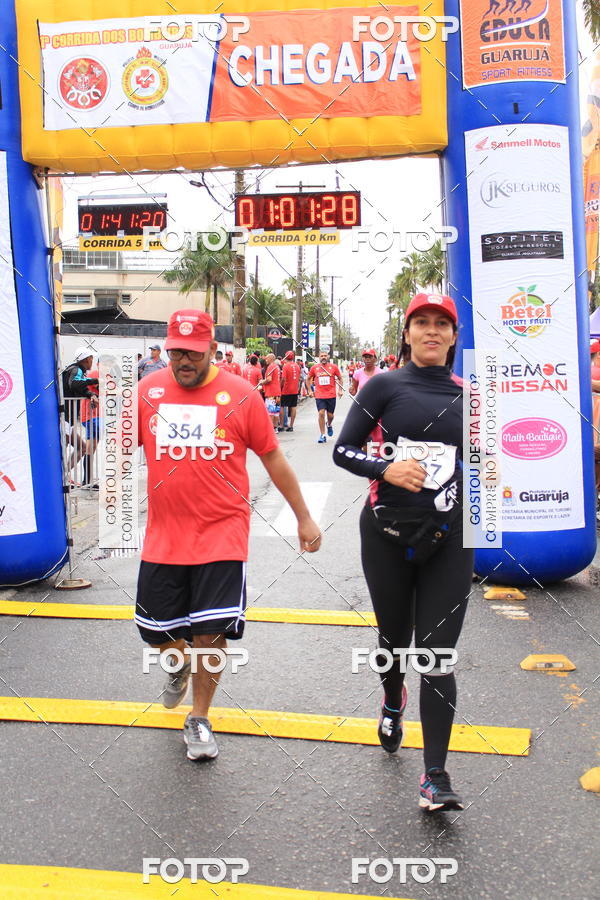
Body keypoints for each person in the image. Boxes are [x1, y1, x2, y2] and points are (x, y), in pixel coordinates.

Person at [136, 309, 321, 761]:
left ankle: (199, 717)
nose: (183, 361)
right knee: (155, 631)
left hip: (223, 533)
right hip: (164, 535)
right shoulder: (146, 392)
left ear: (212, 351)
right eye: (176, 351)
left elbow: (273, 459)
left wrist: (304, 517)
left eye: (193, 353)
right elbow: (120, 455)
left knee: (211, 633)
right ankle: (177, 666)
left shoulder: (240, 395)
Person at [333, 293, 472, 813]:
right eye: (421, 323)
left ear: (454, 337)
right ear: (407, 333)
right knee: (394, 641)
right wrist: (384, 469)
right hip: (387, 537)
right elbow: (342, 450)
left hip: (451, 543)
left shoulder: (473, 396)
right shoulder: (384, 386)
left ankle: (434, 776)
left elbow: (488, 468)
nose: (431, 331)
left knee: (437, 656)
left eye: (442, 324)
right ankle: (393, 696)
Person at [62, 348, 99, 482]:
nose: (92, 361)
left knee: (82, 448)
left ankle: (63, 475)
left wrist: (91, 395)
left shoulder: (77, 371)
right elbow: (74, 384)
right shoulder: (76, 369)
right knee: (62, 450)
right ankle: (58, 479)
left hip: (68, 420)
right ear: (85, 359)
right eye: (91, 358)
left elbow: (80, 389)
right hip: (64, 419)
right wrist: (94, 381)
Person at [307, 350, 343, 443]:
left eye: (325, 355)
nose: (323, 357)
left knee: (330, 415)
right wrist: (310, 391)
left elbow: (340, 378)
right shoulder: (315, 368)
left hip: (331, 395)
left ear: (328, 357)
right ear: (319, 357)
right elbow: (308, 379)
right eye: (321, 356)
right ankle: (322, 435)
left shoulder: (333, 367)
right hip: (319, 395)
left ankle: (329, 424)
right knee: (321, 413)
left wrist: (340, 390)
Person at [280, 351, 301, 432]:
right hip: (294, 390)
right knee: (293, 407)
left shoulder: (285, 366)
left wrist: (280, 387)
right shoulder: (297, 366)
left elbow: (283, 379)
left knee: (282, 406)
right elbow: (299, 378)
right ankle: (291, 425)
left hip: (286, 389)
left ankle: (281, 425)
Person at [260, 352, 282, 430]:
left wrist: (262, 382)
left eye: (267, 358)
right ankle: (275, 428)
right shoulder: (277, 367)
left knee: (270, 411)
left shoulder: (271, 366)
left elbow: (269, 379)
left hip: (271, 392)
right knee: (276, 412)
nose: (266, 359)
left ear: (271, 359)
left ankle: (270, 429)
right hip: (277, 392)